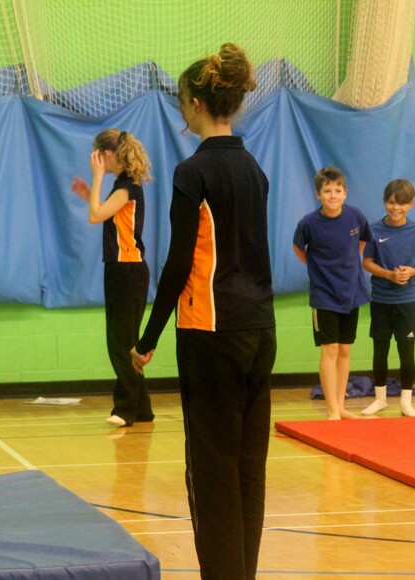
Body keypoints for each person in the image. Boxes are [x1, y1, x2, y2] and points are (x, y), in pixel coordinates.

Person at [129, 43, 275, 579]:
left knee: (212, 468)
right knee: (247, 468)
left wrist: (146, 339)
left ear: (194, 103)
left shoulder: (193, 173)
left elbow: (177, 266)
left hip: (210, 332)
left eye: (180, 103)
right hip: (260, 330)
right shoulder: (255, 169)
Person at [71, 128, 155, 427]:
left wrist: (95, 179)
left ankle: (125, 409)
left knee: (119, 344)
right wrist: (88, 193)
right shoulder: (123, 185)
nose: (96, 162)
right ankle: (142, 408)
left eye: (97, 156)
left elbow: (95, 216)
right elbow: (103, 213)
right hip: (125, 271)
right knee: (127, 342)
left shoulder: (126, 187)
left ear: (107, 155)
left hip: (126, 270)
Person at [293, 166, 372, 420]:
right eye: (327, 191)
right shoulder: (309, 223)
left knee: (345, 350)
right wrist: (318, 269)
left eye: (338, 190)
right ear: (318, 194)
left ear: (345, 193)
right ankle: (331, 409)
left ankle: (341, 405)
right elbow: (299, 248)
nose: (333, 195)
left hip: (352, 291)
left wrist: (348, 264)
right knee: (330, 349)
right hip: (324, 294)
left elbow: (361, 243)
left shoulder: (356, 217)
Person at [361, 179, 415, 417]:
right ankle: (380, 399)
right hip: (381, 299)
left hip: (407, 301)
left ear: (411, 204)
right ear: (384, 202)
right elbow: (367, 262)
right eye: (391, 203)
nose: (396, 208)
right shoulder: (374, 229)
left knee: (406, 350)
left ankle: (405, 402)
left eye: (401, 204)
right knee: (380, 349)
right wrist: (389, 275)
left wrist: (412, 271)